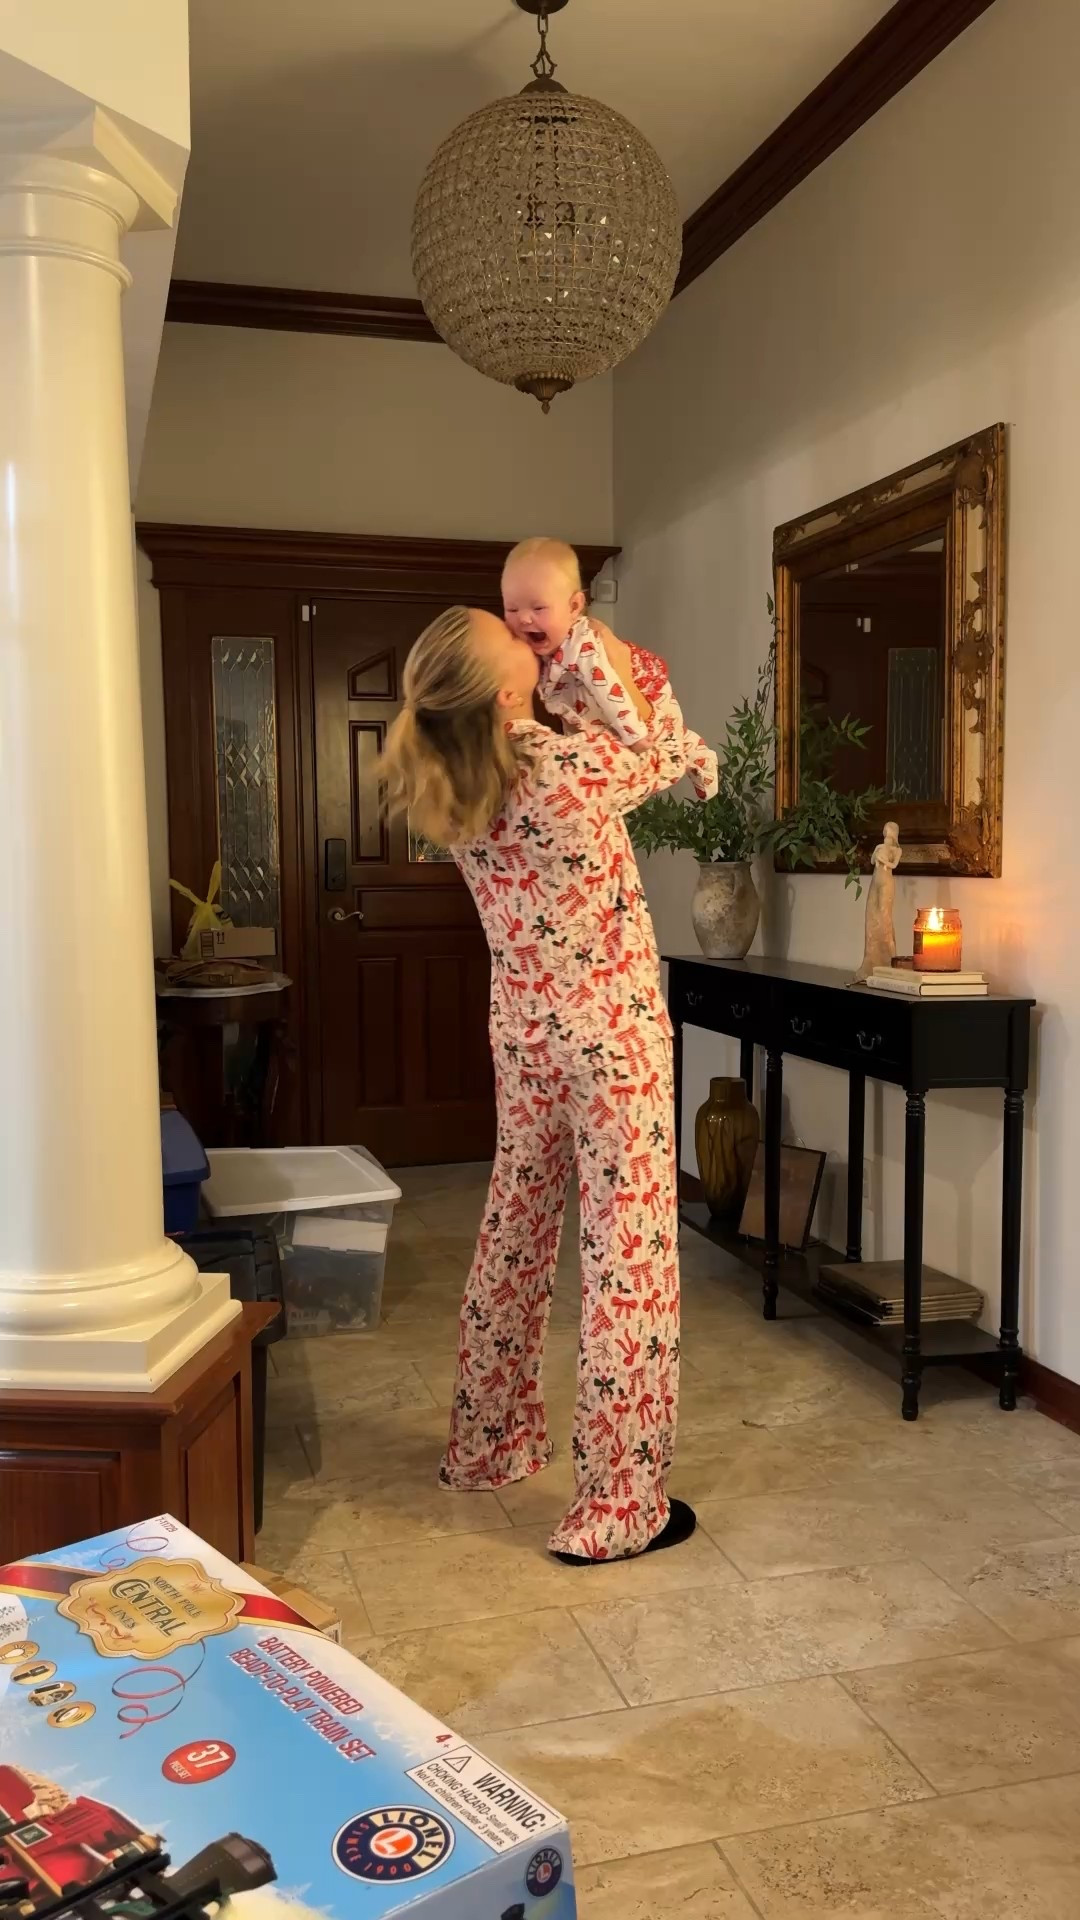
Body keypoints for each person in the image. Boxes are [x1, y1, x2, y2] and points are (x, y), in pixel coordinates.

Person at [379, 605, 696, 1563]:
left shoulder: (456, 782)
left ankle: (489, 1446)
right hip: (612, 1043)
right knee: (628, 1256)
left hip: (524, 1040)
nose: (530, 636)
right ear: (508, 689)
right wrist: (602, 651)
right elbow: (663, 747)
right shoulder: (561, 767)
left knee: (515, 1235)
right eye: (513, 637)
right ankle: (618, 1508)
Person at [501, 536, 718, 800]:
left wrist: (634, 736)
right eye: (512, 608)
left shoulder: (584, 644)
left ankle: (697, 753)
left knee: (665, 739)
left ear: (574, 607)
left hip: (635, 693)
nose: (524, 618)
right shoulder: (539, 645)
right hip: (592, 713)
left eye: (538, 608)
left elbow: (610, 692)